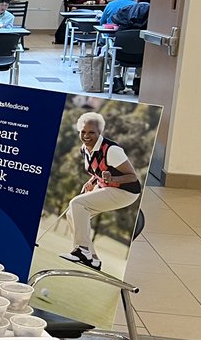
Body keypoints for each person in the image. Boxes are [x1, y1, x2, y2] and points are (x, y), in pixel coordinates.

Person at [60, 112, 141, 271]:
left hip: (126, 192)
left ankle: (82, 251)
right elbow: (98, 171)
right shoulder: (84, 149)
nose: (86, 135)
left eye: (92, 132)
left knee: (77, 203)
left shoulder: (111, 150)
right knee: (73, 212)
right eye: (83, 132)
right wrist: (91, 182)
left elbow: (132, 177)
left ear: (100, 132)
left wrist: (113, 180)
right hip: (106, 186)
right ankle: (93, 259)